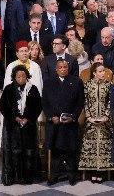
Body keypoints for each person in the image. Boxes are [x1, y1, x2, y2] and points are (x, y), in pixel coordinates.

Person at [0, 64, 42, 185]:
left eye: (23, 76)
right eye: (18, 76)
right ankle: (12, 177)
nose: (21, 78)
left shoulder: (32, 89)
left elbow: (38, 106)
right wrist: (15, 118)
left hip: (29, 125)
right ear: (14, 77)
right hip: (12, 126)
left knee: (28, 151)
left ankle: (27, 176)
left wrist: (28, 118)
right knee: (13, 151)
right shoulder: (8, 89)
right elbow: (3, 106)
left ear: (27, 76)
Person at [44, 57, 84, 186]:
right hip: (54, 123)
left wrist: (73, 117)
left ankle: (72, 175)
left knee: (71, 150)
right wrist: (51, 117)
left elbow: (80, 102)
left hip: (70, 123)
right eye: (60, 68)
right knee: (55, 151)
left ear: (69, 68)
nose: (63, 70)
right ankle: (54, 175)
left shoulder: (76, 82)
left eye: (65, 67)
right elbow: (45, 103)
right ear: (56, 70)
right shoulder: (49, 82)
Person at [78, 62, 114, 183]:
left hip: (104, 121)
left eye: (103, 71)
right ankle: (93, 171)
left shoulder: (109, 85)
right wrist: (89, 117)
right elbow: (85, 102)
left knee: (104, 145)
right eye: (100, 71)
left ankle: (102, 172)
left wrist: (106, 116)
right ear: (94, 73)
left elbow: (110, 102)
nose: (103, 73)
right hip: (91, 121)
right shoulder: (87, 85)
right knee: (92, 146)